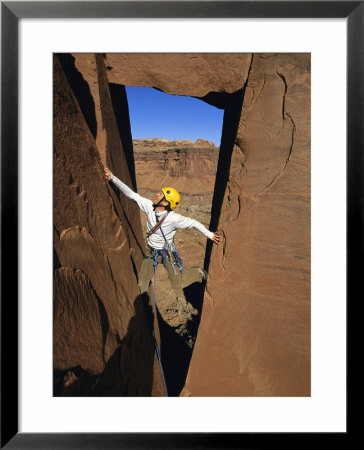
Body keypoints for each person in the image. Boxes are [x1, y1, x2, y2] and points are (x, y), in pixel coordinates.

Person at [104, 167, 222, 298]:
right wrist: (112, 178)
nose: (157, 194)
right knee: (142, 284)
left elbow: (194, 223)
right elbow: (132, 194)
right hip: (151, 250)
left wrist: (209, 234)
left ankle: (197, 272)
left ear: (165, 202)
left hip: (167, 253)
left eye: (161, 194)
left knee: (177, 283)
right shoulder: (149, 206)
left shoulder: (173, 218)